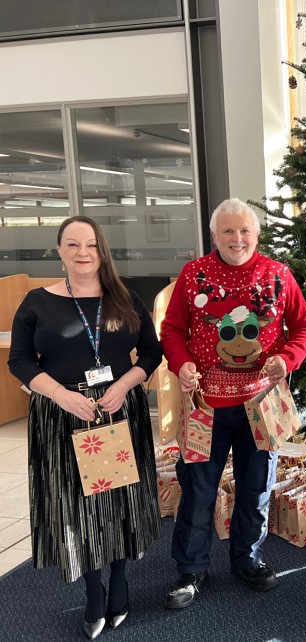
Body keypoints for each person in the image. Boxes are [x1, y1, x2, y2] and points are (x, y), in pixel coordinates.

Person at [8, 216, 162, 640]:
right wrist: (61, 395)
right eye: (72, 244)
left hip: (116, 413)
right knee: (78, 507)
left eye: (90, 244)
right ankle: (94, 592)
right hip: (64, 417)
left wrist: (124, 385)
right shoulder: (37, 302)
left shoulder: (124, 297)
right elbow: (18, 360)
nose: (82, 252)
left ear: (102, 250)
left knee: (117, 504)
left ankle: (119, 582)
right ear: (59, 251)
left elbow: (151, 353)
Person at [159, 197, 306, 608]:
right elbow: (172, 329)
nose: (237, 238)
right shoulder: (193, 275)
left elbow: (303, 326)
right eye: (228, 230)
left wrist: (288, 357)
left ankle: (247, 558)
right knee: (198, 490)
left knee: (255, 486)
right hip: (204, 406)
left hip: (261, 405)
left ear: (257, 234)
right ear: (214, 235)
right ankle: (190, 570)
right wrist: (182, 362)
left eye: (245, 230)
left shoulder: (278, 275)